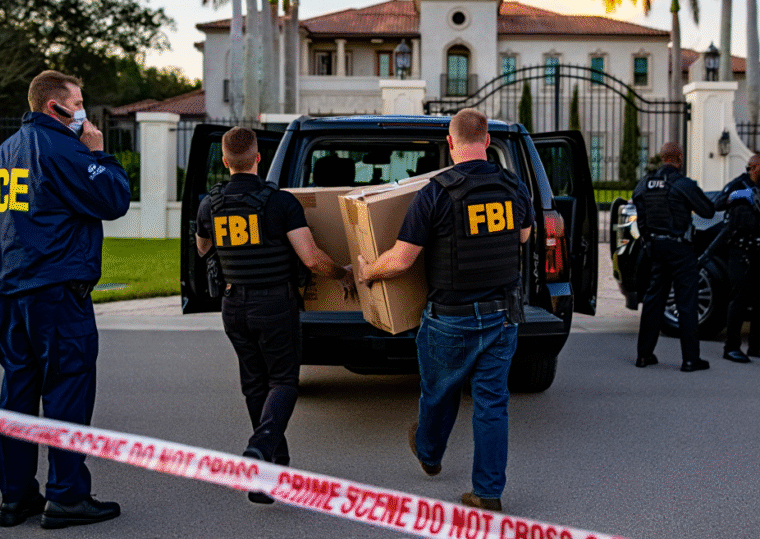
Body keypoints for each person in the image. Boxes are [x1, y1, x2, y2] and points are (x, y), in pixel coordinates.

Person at [357, 108, 533, 513]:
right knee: (492, 403)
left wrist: (367, 271)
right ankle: (487, 491)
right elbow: (524, 236)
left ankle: (429, 453)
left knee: (439, 393)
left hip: (451, 318)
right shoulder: (513, 185)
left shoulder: (435, 193)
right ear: (487, 141)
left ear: (450, 143)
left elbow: (401, 260)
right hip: (503, 315)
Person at [0, 70, 131, 529]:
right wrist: (98, 152)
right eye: (78, 103)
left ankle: (16, 496)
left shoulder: (2, 154)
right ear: (55, 106)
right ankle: (66, 496)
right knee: (67, 390)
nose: (83, 112)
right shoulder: (63, 149)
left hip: (11, 293)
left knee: (18, 394)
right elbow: (114, 198)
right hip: (57, 292)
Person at [195, 127, 354, 503]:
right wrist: (342, 274)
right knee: (283, 381)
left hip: (234, 305)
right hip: (274, 304)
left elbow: (203, 249)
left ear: (225, 161)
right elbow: (311, 259)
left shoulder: (210, 204)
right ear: (257, 158)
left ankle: (269, 473)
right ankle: (262, 445)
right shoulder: (280, 203)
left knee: (255, 385)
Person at [632, 142, 716, 372]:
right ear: (679, 159)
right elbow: (708, 211)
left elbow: (639, 210)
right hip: (680, 249)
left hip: (656, 248)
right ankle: (690, 360)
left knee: (653, 300)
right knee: (686, 302)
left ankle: (643, 355)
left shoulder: (645, 184)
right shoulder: (682, 184)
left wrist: (649, 241)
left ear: (662, 158)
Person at [712, 153, 760, 363]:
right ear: (753, 168)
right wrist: (736, 196)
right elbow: (718, 204)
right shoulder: (738, 185)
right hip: (741, 250)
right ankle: (731, 347)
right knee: (739, 300)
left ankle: (757, 345)